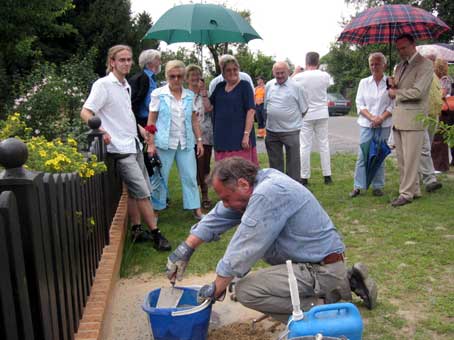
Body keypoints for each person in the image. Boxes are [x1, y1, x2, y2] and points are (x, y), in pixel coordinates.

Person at [166, 157, 378, 323]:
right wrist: (186, 248)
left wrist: (216, 287)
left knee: (245, 290)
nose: (226, 204)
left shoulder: (268, 193)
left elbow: (244, 248)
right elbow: (218, 216)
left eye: (225, 198)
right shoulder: (255, 184)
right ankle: (345, 281)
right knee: (237, 280)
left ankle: (324, 308)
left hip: (319, 269)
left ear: (242, 184)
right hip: (316, 263)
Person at [80, 45, 171, 251]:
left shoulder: (125, 85)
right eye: (122, 60)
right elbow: (85, 112)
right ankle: (156, 234)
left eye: (129, 59)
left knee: (132, 191)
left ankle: (137, 229)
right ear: (112, 62)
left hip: (133, 143)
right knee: (143, 191)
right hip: (119, 149)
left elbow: (126, 114)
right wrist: (102, 132)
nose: (127, 63)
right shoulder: (103, 85)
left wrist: (140, 129)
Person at [147, 60, 205, 220]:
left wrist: (199, 141)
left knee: (190, 176)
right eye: (172, 76)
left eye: (179, 76)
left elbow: (194, 121)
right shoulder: (158, 94)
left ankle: (196, 209)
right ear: (167, 76)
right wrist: (150, 143)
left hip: (185, 143)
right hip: (163, 143)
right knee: (160, 177)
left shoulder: (189, 95)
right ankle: (156, 211)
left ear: (184, 77)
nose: (176, 79)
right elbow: (151, 121)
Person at [387, 34, 434, 207]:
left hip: (414, 118)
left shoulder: (425, 64)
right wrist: (392, 85)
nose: (401, 51)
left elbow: (418, 92)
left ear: (413, 45)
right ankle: (413, 189)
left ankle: (405, 194)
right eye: (398, 48)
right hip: (399, 117)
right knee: (402, 159)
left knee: (412, 158)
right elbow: (398, 89)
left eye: (404, 47)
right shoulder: (399, 66)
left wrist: (397, 93)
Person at [200, 55, 258, 165]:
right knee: (224, 173)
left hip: (239, 137)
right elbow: (208, 108)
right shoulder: (219, 87)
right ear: (223, 73)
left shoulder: (245, 86)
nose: (232, 72)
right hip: (222, 137)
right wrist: (203, 92)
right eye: (228, 70)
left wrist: (246, 135)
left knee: (240, 171)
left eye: (235, 69)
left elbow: (251, 111)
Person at [350, 52, 393, 198]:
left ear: (384, 65)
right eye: (372, 64)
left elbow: (393, 104)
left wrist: (381, 118)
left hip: (384, 124)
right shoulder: (364, 82)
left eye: (377, 63)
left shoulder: (390, 82)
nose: (374, 67)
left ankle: (377, 186)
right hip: (366, 124)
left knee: (379, 155)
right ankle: (358, 186)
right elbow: (359, 103)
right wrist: (371, 118)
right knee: (363, 155)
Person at [293, 52, 332, 186]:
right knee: (324, 144)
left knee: (304, 146)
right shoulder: (324, 75)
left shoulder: (299, 77)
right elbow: (327, 85)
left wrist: (295, 71)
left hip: (306, 114)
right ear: (318, 62)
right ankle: (327, 175)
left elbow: (288, 84)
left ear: (306, 61)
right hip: (322, 112)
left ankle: (304, 177)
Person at [264, 61, 308, 182]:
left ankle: (293, 189)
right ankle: (277, 187)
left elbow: (304, 109)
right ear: (273, 73)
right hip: (272, 131)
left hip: (291, 131)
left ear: (288, 72)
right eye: (277, 73)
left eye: (282, 73)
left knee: (293, 164)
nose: (280, 76)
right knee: (275, 164)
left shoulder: (297, 87)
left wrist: (293, 121)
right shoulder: (269, 85)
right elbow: (266, 106)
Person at [186, 64, 214, 210]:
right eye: (192, 76)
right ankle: (192, 196)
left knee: (204, 166)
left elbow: (209, 109)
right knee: (191, 167)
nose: (196, 78)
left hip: (206, 134)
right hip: (188, 136)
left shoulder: (206, 93)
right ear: (187, 79)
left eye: (198, 75)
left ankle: (205, 194)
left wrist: (203, 93)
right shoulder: (184, 95)